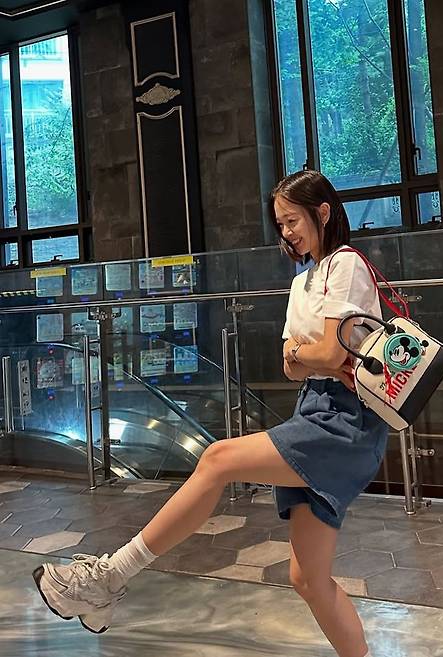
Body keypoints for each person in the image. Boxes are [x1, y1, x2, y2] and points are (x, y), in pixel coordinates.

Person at [32, 170, 388, 657]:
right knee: (307, 578)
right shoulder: (302, 281)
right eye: (280, 223)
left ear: (322, 212)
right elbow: (290, 365)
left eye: (293, 220)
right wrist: (309, 355)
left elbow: (324, 354)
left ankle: (109, 577)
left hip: (345, 421)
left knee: (218, 459)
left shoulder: (345, 264)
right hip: (314, 408)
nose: (287, 232)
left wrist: (307, 354)